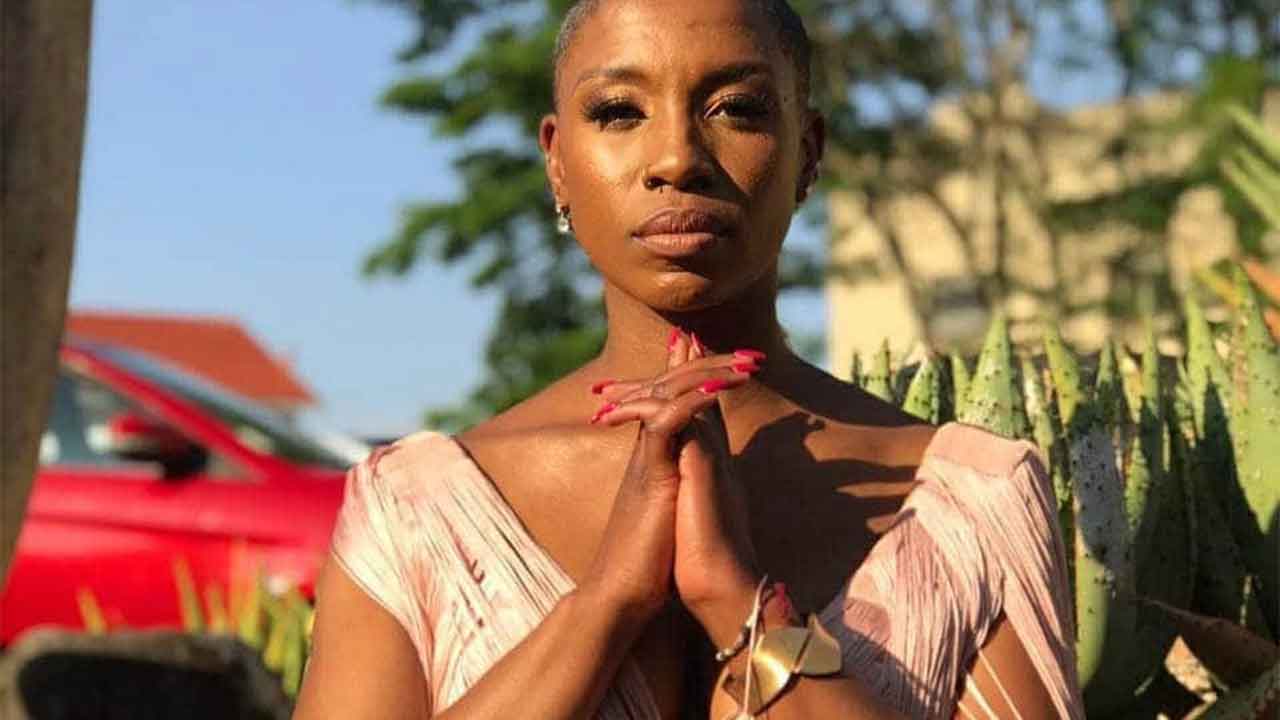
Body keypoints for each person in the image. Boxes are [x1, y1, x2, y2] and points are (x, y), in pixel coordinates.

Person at [293, 0, 1084, 717]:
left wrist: (736, 600)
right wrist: (607, 602)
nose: (676, 157)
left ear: (808, 152)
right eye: (618, 112)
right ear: (557, 161)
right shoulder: (415, 512)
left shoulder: (970, 505)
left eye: (736, 108)